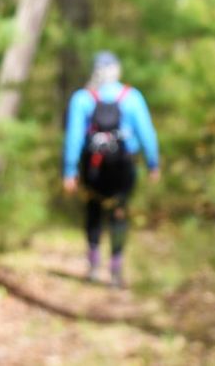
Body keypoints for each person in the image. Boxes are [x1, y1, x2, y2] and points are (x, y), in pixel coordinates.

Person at [63, 51, 159, 288]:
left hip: (93, 167)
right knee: (119, 212)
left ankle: (94, 264)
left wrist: (69, 170)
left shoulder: (82, 98)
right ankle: (116, 267)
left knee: (93, 210)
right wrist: (152, 163)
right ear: (117, 70)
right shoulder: (132, 97)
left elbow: (74, 137)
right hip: (124, 166)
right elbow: (147, 132)